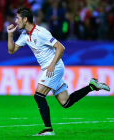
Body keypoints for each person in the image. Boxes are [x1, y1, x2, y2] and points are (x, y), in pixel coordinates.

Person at [7, 7, 110, 136]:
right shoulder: (25, 35)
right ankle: (92, 86)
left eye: (17, 18)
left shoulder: (41, 32)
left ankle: (48, 129)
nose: (16, 21)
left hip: (55, 67)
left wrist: (52, 65)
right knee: (65, 102)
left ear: (25, 19)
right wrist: (10, 35)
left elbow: (61, 47)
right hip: (51, 68)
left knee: (38, 95)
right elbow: (11, 50)